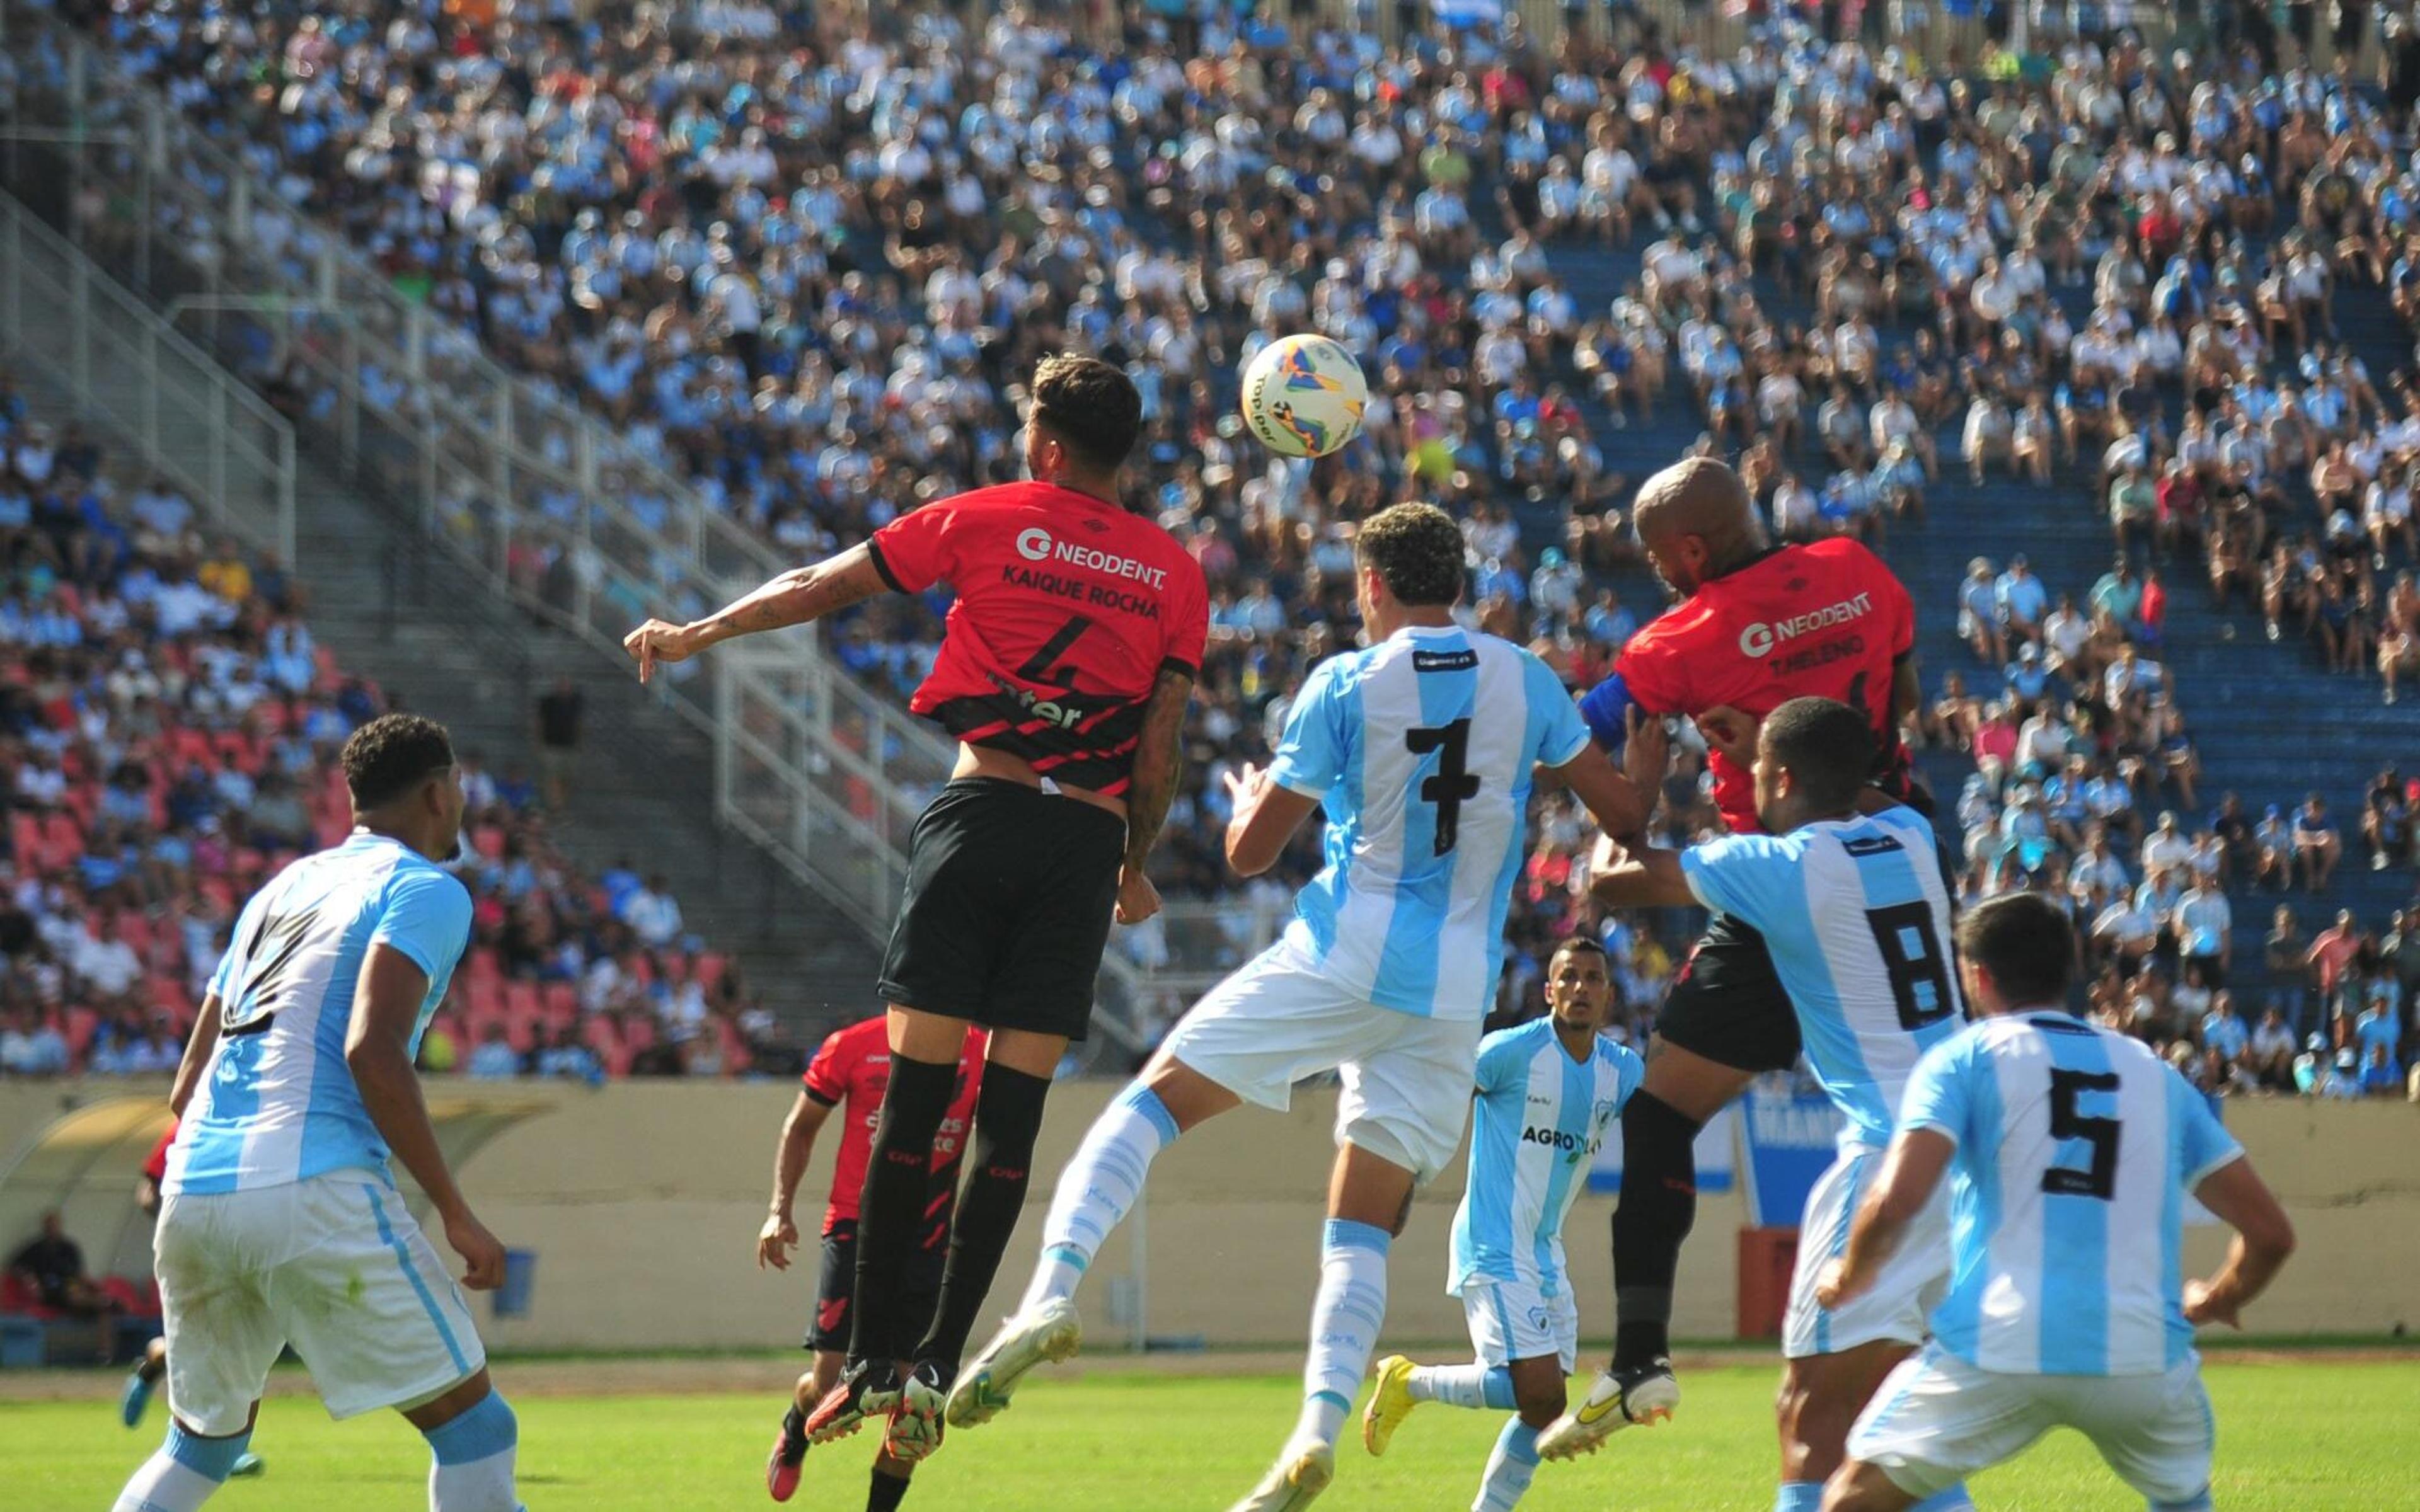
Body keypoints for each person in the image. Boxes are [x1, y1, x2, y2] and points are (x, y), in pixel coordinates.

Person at [947, 501, 1651, 1511]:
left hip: (1343, 955)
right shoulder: (1527, 679)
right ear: (1457, 584)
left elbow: (1251, 853)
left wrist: (1244, 802)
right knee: (1359, 1227)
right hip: (1456, 994)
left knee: (1148, 1105)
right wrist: (1656, 741)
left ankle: (1046, 1297)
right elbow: (1623, 812)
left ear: (1372, 586)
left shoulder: (1346, 683)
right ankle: (1312, 1434)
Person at [623, 356, 1207, 1459]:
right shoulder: (1176, 572)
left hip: (982, 812)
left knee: (916, 1092)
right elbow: (1160, 743)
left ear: (1045, 448)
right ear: (1124, 454)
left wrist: (695, 634)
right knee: (1013, 1120)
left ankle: (879, 1361)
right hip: (1081, 840)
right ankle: (939, 1365)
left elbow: (820, 586)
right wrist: (1129, 858)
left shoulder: (986, 517)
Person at [1553, 457, 1925, 1453]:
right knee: (1926, 1077)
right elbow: (1903, 684)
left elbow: (1572, 735)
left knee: (1662, 1114)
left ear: (1687, 549)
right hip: (1895, 851)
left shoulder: (1682, 635)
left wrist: (1624, 802)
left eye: (1654, 556)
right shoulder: (1859, 569)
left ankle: (1639, 1359)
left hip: (1772, 889)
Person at [113, 713, 521, 1512]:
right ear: (439, 795)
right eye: (462, 787)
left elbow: (185, 1082)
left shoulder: (282, 889)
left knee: (200, 1446)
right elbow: (372, 1051)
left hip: (193, 1188)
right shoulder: (425, 888)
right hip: (311, 1186)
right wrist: (455, 1212)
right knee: (477, 1429)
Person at [1575, 698, 1973, 1512]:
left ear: (1783, 778)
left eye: (1758, 769)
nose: (1747, 778)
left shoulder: (1777, 865)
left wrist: (1638, 790)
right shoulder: (1914, 839)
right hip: (1971, 1149)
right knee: (1895, 1417)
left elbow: (1609, 882)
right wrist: (1777, 748)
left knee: (1810, 1412)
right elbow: (1849, 790)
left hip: (1890, 1157)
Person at [1816, 890, 2296, 1512]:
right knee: (2183, 1500)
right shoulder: (2156, 1074)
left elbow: (1899, 1196)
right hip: (2141, 1357)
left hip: (1998, 1348)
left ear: (1978, 976)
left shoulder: (1964, 1059)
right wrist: (2220, 1298)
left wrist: (1851, 1274)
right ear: (2068, 970)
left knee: (1850, 1500)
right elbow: (2271, 1235)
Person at [1357, 937, 1645, 1512]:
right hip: (1493, 1239)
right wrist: (1404, 1178)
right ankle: (1409, 1383)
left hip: (1545, 1251)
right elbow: (1439, 1096)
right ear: (1548, 991)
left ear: (1609, 995)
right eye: (1568, 978)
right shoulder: (1510, 1053)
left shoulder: (1624, 1070)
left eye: (1592, 978)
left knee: (1544, 1408)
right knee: (1539, 1393)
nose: (1580, 989)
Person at [756, 1012, 986, 1507]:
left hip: (928, 1241)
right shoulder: (852, 1046)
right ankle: (796, 1429)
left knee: (914, 1405)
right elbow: (801, 1127)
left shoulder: (982, 1055)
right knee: (831, 1382)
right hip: (854, 1228)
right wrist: (780, 1211)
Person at [120, 1121, 267, 1475]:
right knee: (212, 1346)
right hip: (194, 1247)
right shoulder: (193, 1121)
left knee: (238, 1343)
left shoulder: (261, 1120)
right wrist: (176, 1223)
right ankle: (217, 1444)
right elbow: (148, 1189)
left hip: (240, 1245)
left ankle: (156, 1360)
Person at [7, 1210, 120, 1319]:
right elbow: (13, 1265)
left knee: (98, 1309)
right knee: (75, 1296)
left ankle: (102, 1304)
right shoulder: (35, 1248)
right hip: (50, 1290)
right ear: (44, 1227)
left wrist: (93, 1285)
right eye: (49, 1225)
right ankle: (104, 1303)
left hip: (72, 1286)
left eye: (55, 1225)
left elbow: (80, 1273)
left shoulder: (69, 1247)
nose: (52, 1228)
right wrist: (29, 1279)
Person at [532, 676, 583, 811]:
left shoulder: (575, 703)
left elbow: (579, 724)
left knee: (567, 778)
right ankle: (555, 805)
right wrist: (539, 742)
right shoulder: (548, 703)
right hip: (551, 745)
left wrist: (579, 743)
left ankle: (562, 804)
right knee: (553, 776)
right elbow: (540, 723)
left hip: (569, 746)